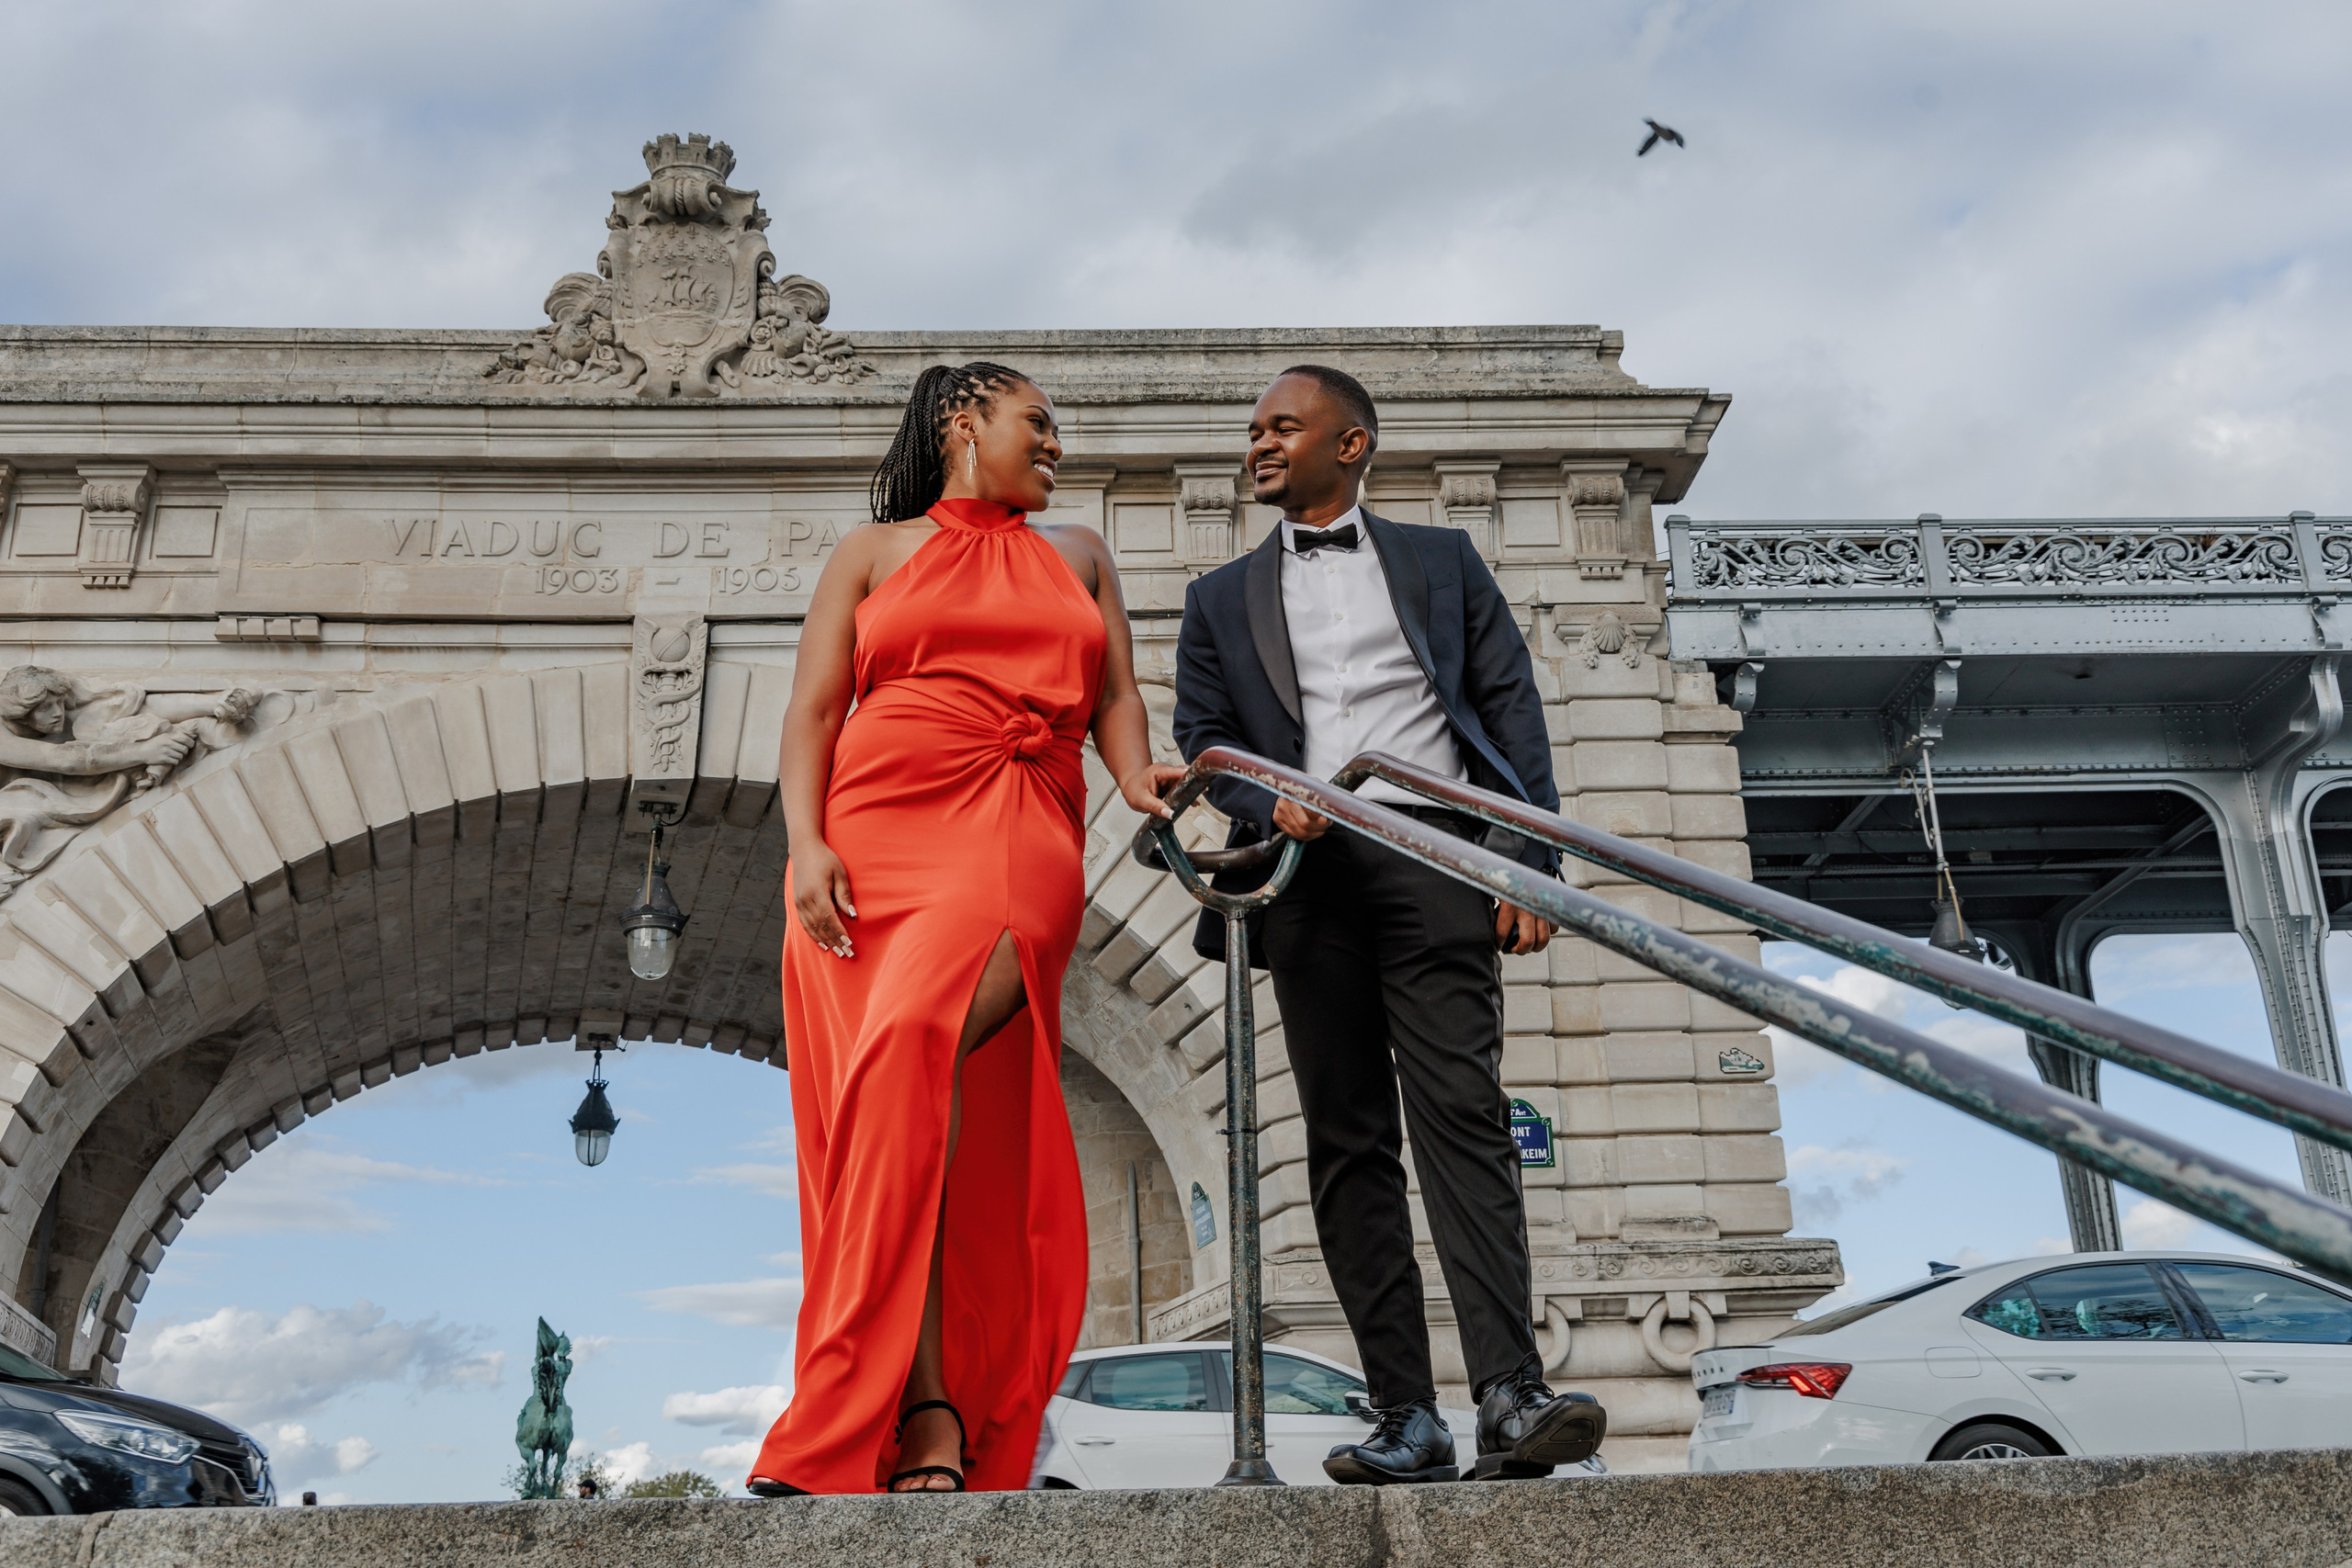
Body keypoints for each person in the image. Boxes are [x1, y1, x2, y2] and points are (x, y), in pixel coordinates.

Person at [748, 363, 1182, 1495]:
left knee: (905, 1065)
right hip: (869, 846)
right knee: (893, 1125)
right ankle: (928, 1412)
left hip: (1012, 833)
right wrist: (806, 846)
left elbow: (1118, 693)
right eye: (1037, 423)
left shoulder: (1080, 554)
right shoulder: (871, 552)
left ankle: (838, 1410)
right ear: (963, 422)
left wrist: (1135, 778)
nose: (1054, 445)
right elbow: (813, 709)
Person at [1171, 366, 1608, 1483]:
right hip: (1303, 874)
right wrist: (1265, 799)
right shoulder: (1218, 597)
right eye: (1254, 428)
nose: (1259, 442)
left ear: (1350, 444)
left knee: (1463, 1113)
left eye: (1283, 426)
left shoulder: (1442, 562)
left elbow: (1510, 707)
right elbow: (1204, 740)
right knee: (1346, 1140)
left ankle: (1510, 1393)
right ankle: (1406, 1417)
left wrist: (1528, 862)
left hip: (1434, 851)